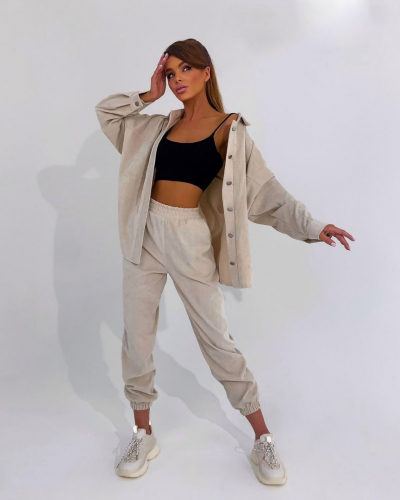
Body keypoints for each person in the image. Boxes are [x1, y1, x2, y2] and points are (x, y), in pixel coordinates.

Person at [95, 38, 354, 486]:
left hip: (189, 238)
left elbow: (266, 192)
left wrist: (312, 226)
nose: (177, 79)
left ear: (206, 72)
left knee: (217, 341)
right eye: (171, 73)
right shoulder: (157, 126)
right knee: (137, 338)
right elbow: (108, 114)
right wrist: (149, 94)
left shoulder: (230, 130)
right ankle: (143, 433)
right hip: (144, 233)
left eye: (185, 70)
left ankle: (262, 438)